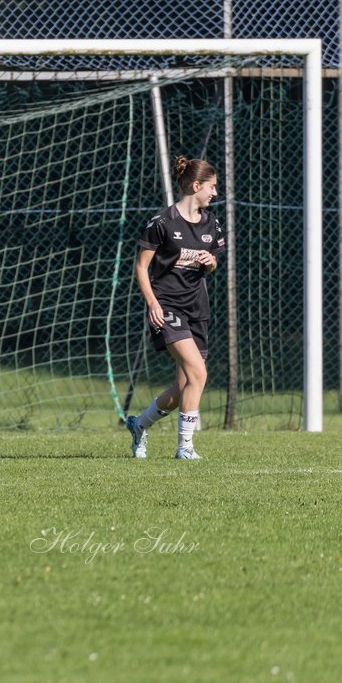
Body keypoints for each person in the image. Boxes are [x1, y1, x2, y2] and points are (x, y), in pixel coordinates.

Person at [125, 156, 225, 460]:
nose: (215, 193)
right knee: (198, 372)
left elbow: (213, 261)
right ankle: (185, 448)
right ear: (196, 186)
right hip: (167, 307)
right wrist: (153, 304)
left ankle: (139, 425)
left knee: (185, 387)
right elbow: (142, 268)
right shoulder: (162, 223)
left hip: (197, 309)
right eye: (212, 187)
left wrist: (211, 263)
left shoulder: (211, 223)